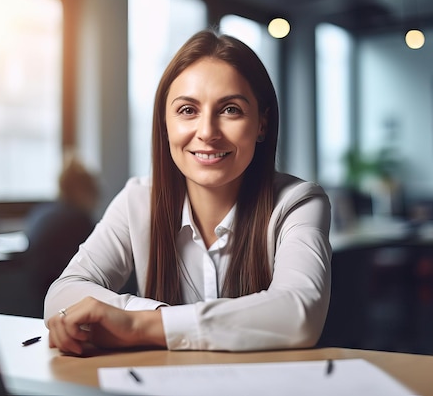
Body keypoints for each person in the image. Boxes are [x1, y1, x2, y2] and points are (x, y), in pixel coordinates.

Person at [44, 29, 332, 355]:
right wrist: (163, 320)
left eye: (231, 109)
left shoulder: (298, 203)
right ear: (165, 123)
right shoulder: (138, 201)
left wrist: (140, 325)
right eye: (187, 110)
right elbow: (62, 295)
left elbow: (301, 311)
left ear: (262, 124)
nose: (207, 132)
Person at [24, 152, 100, 317]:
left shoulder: (40, 213)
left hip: (37, 300)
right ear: (83, 192)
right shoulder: (79, 221)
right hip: (68, 305)